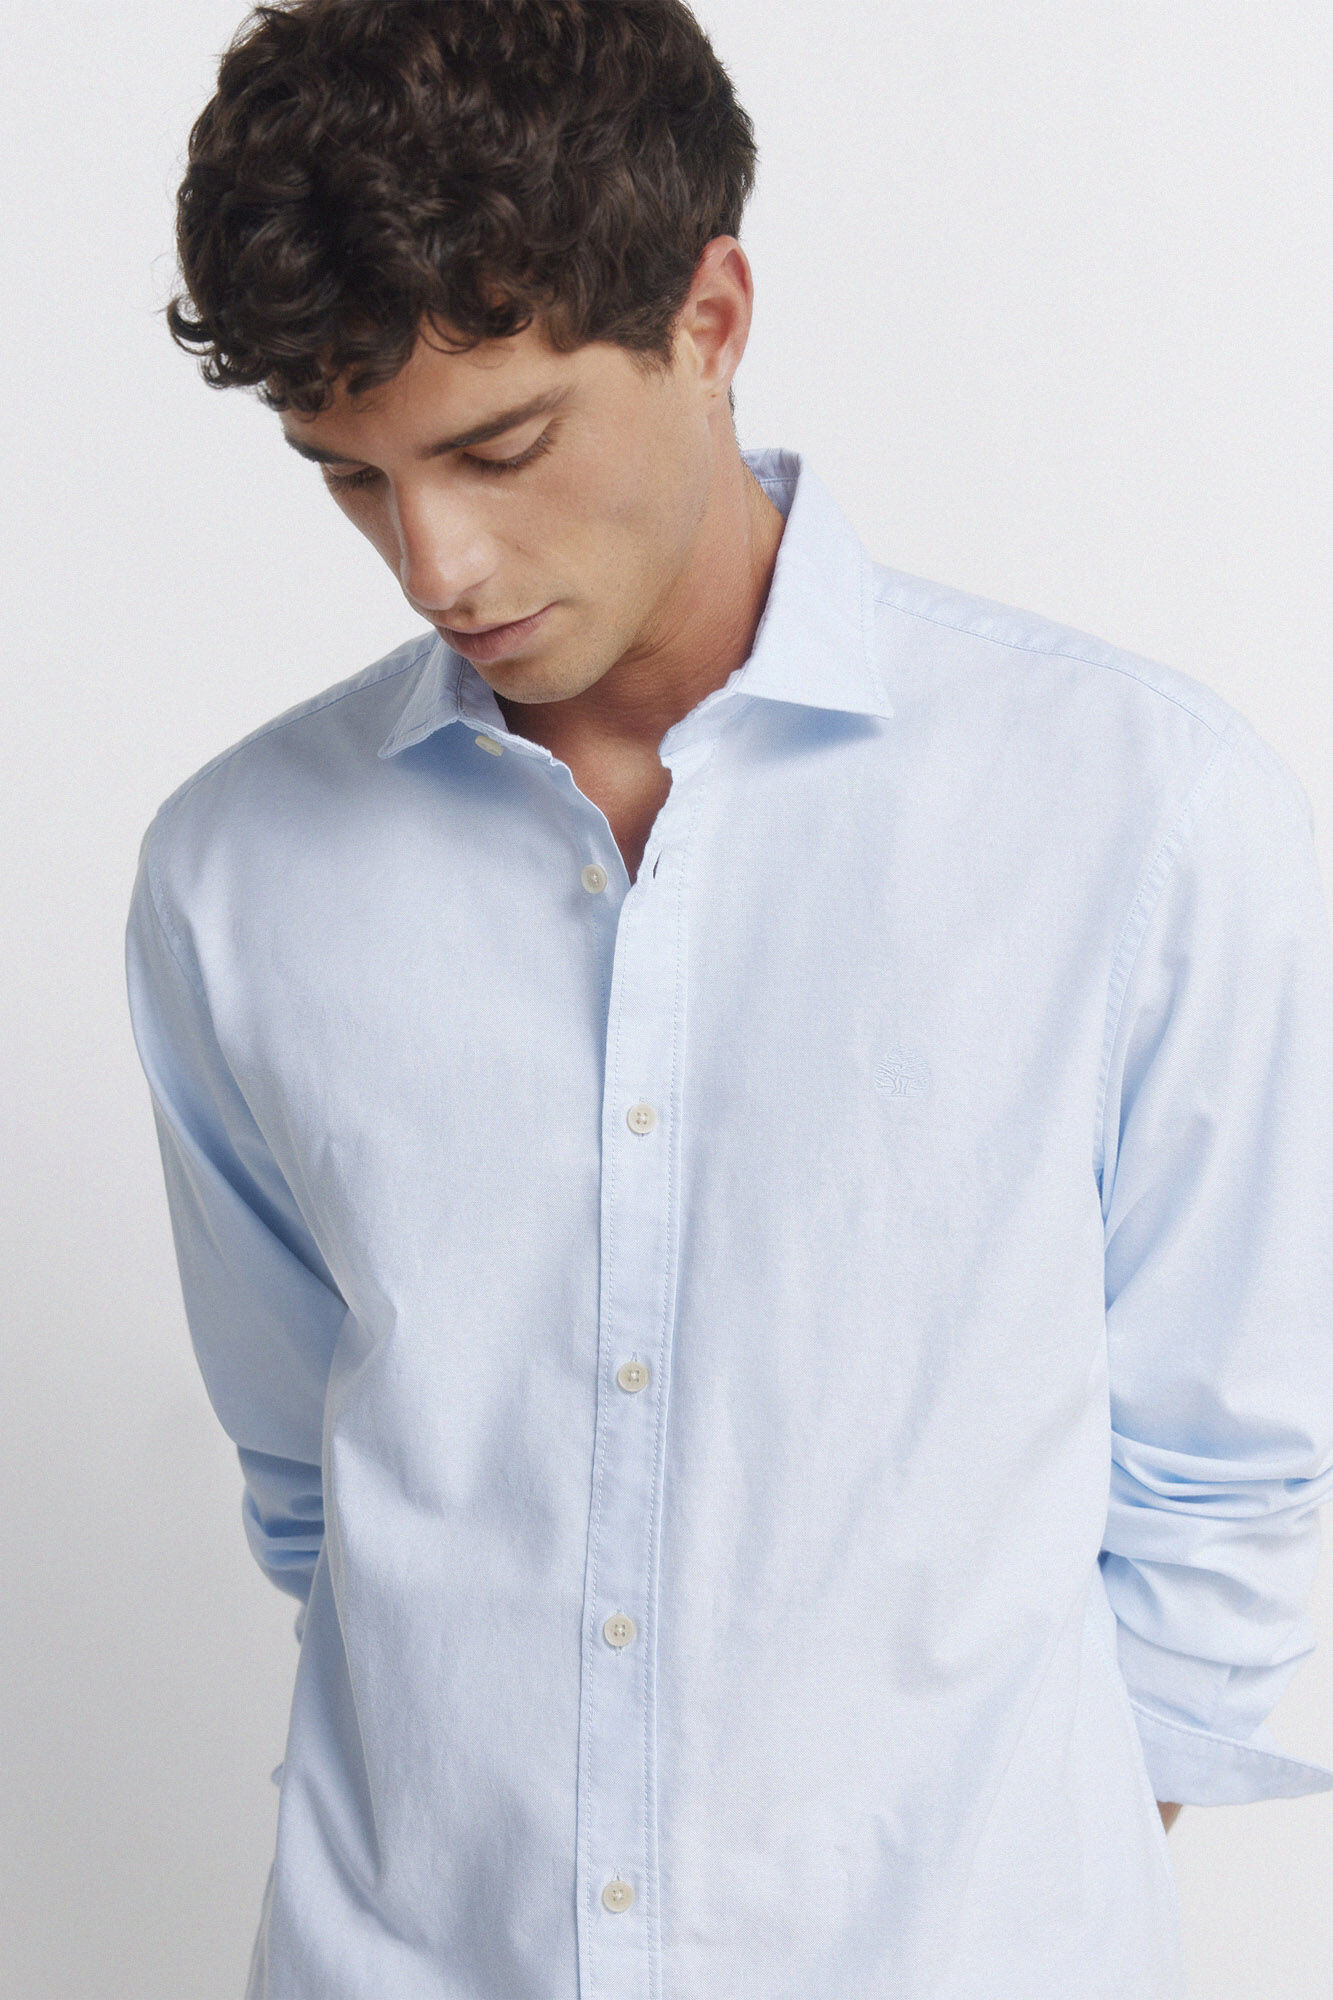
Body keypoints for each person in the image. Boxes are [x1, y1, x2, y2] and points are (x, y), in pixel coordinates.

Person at [124, 2, 1333, 1995]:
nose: (434, 562)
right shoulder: (236, 876)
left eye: (496, 447)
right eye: (348, 478)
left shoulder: (1136, 817)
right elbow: (314, 1481)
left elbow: (1222, 1485)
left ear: (709, 317)